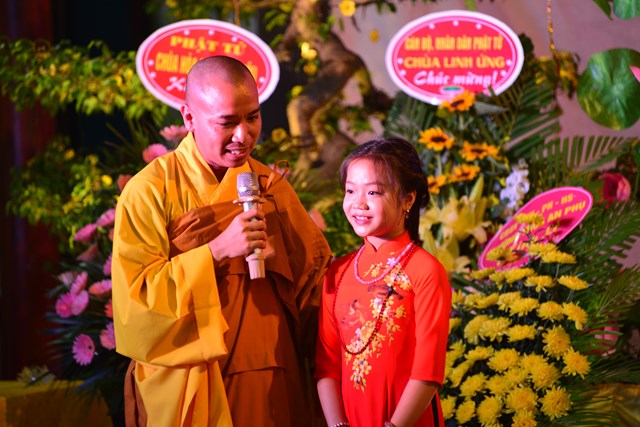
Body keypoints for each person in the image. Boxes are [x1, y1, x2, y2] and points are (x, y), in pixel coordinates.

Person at [111, 55, 332, 427]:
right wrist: (215, 252)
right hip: (188, 376)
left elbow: (315, 285)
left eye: (253, 117)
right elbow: (136, 304)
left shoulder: (271, 188)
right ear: (189, 117)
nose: (243, 135)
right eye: (227, 122)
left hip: (267, 369)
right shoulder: (148, 191)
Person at [315, 137, 451, 427]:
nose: (358, 203)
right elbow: (327, 365)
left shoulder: (425, 270)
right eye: (350, 190)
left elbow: (428, 372)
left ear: (408, 199)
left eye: (373, 192)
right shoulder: (338, 273)